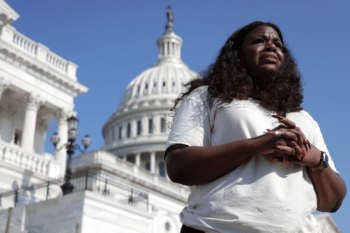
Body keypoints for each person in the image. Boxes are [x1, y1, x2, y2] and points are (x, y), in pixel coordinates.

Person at [164, 21, 346, 233]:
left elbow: (332, 202)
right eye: (259, 41)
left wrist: (314, 159)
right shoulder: (208, 97)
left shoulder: (304, 118)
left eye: (278, 44)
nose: (271, 47)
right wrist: (258, 145)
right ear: (237, 55)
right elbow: (178, 167)